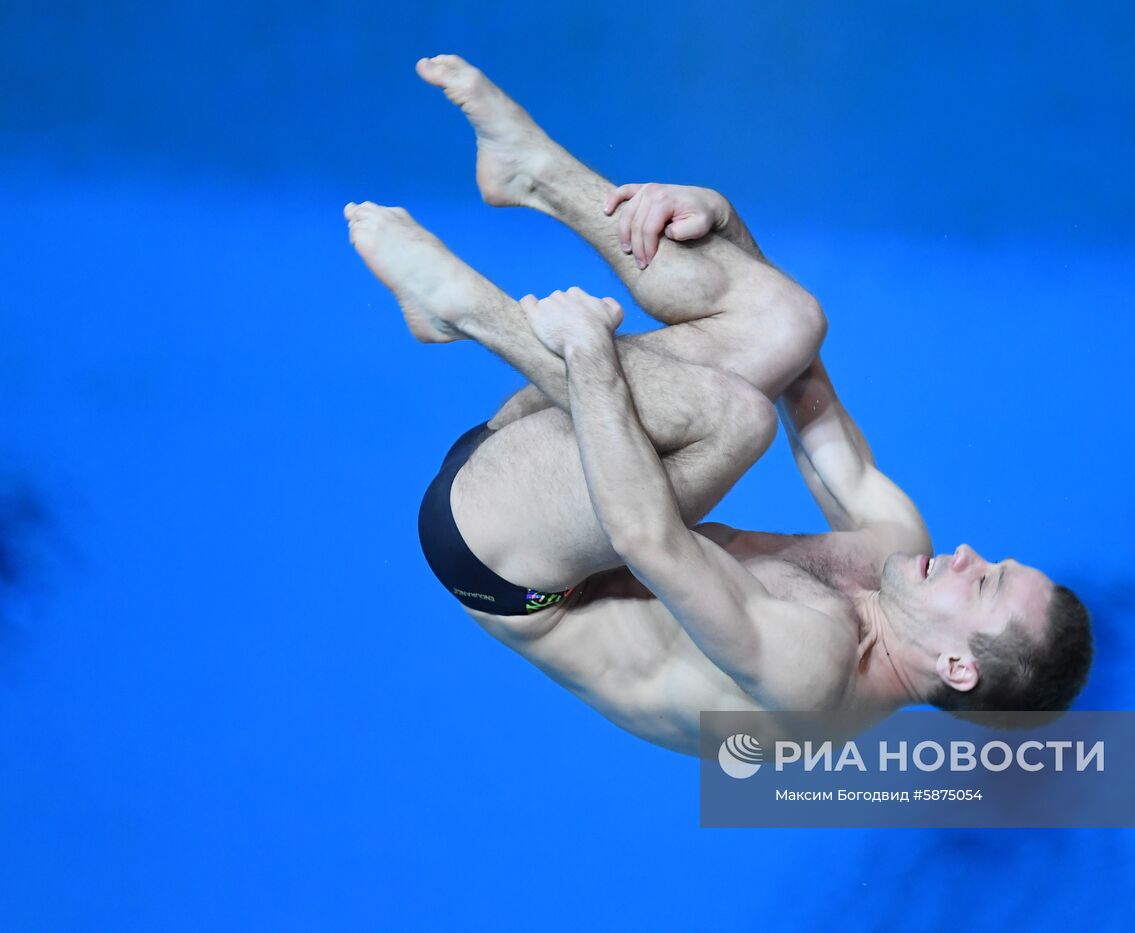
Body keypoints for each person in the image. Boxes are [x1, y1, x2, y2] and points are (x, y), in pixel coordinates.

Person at [345, 55, 1092, 754]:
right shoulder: (898, 549)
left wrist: (587, 352)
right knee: (793, 323)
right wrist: (725, 222)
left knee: (737, 420)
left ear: (958, 667)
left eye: (985, 581)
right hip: (563, 465)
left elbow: (647, 539)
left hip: (504, 553)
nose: (968, 554)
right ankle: (536, 173)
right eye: (991, 560)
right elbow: (809, 383)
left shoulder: (814, 677)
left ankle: (467, 307)